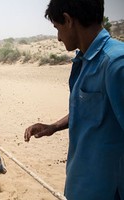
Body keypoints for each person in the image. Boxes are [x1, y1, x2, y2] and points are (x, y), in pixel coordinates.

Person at [24, 0, 124, 199]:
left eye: (57, 28)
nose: (58, 38)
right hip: (81, 187)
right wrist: (54, 126)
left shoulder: (115, 64)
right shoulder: (85, 60)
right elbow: (93, 110)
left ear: (68, 20)